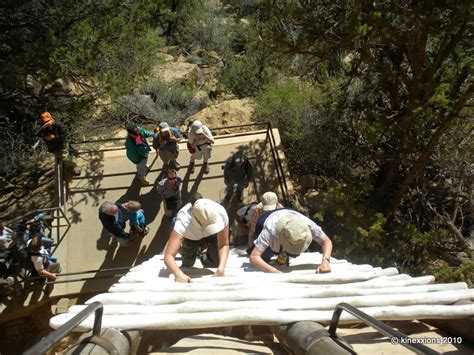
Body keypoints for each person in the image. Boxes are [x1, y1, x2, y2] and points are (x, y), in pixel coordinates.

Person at [164, 197, 230, 283]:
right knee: (188, 264)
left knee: (216, 263)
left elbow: (224, 244)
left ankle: (205, 257)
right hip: (190, 238)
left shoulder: (221, 213)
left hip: (210, 237)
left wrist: (221, 268)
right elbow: (169, 256)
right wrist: (178, 274)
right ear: (197, 220)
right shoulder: (183, 220)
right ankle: (190, 253)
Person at [249, 209, 333, 274]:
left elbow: (326, 241)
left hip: (289, 213)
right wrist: (273, 271)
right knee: (264, 258)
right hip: (266, 219)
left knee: (289, 255)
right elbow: (254, 257)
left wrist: (325, 261)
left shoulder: (309, 226)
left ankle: (285, 254)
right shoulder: (270, 230)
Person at [36, 111, 80, 176]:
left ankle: (74, 167)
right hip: (53, 147)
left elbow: (63, 135)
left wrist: (54, 137)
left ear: (51, 119)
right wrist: (45, 126)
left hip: (60, 145)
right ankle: (68, 169)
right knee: (62, 159)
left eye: (48, 120)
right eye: (45, 121)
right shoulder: (43, 128)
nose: (48, 122)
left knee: (65, 157)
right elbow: (38, 134)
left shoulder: (57, 125)